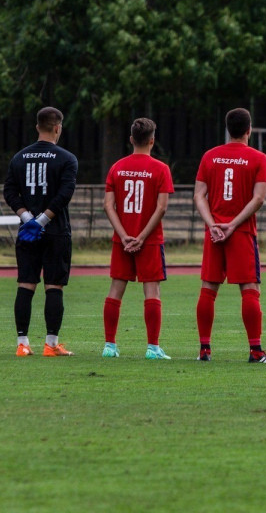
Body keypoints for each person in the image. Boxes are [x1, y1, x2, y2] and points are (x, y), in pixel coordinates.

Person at [193, 108, 266, 364]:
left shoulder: (210, 156)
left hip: (214, 232)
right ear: (249, 130)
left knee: (208, 289)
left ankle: (204, 350)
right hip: (240, 232)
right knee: (250, 289)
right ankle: (256, 351)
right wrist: (232, 225)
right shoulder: (259, 158)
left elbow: (198, 195)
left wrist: (213, 224)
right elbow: (259, 198)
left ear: (228, 129)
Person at [3, 106, 78, 357]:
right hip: (56, 231)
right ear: (58, 127)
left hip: (27, 233)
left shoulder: (18, 158)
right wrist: (42, 221)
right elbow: (64, 194)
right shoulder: (67, 158)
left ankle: (22, 344)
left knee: (26, 284)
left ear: (37, 127)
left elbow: (10, 192)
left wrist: (28, 219)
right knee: (54, 286)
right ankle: (51, 344)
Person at [102, 118, 174, 360]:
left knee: (115, 289)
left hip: (121, 240)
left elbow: (108, 206)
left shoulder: (116, 168)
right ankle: (153, 348)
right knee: (152, 291)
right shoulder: (161, 169)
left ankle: (109, 346)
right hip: (150, 241)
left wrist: (123, 235)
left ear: (131, 139)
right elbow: (161, 208)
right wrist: (142, 237)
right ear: (152, 140)